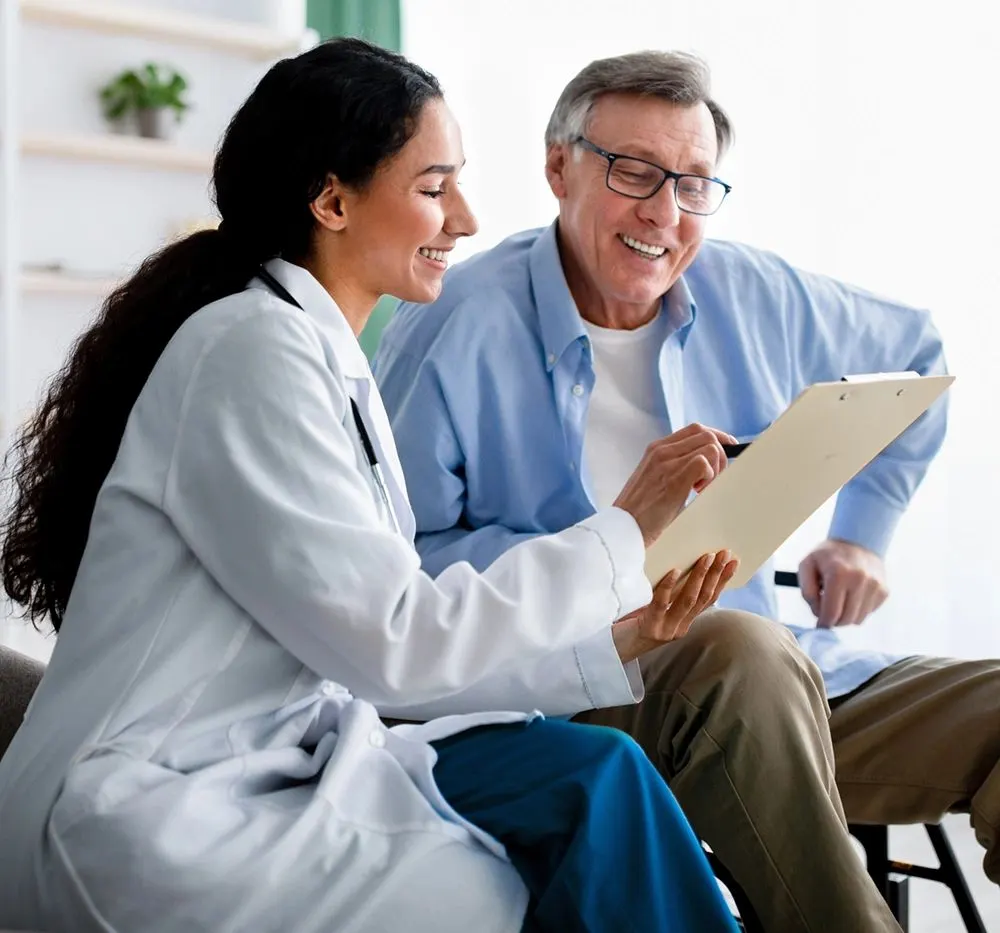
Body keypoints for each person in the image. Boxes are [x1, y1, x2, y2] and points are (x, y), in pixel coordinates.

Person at [0, 39, 744, 933]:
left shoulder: (319, 356)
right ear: (332, 200)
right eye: (434, 187)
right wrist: (621, 531)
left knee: (596, 779)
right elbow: (394, 647)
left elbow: (378, 657)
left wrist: (615, 639)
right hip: (149, 805)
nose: (465, 218)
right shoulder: (249, 351)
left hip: (275, 761)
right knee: (537, 852)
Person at [374, 49, 1000, 933]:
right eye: (634, 172)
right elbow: (400, 571)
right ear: (559, 168)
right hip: (581, 689)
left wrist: (863, 532)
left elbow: (918, 358)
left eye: (694, 183)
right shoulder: (453, 323)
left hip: (780, 689)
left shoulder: (752, 289)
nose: (664, 213)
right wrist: (611, 553)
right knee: (739, 649)